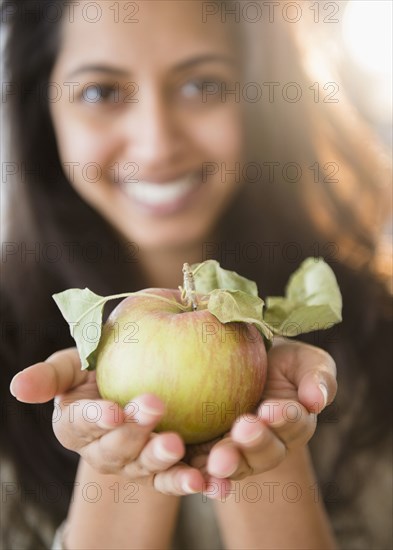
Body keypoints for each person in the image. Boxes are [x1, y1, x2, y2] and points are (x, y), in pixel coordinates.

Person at [1, 1, 391, 549]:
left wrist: (268, 453)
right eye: (101, 92)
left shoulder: (377, 341)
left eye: (202, 85)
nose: (157, 144)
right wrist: (117, 473)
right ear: (43, 110)